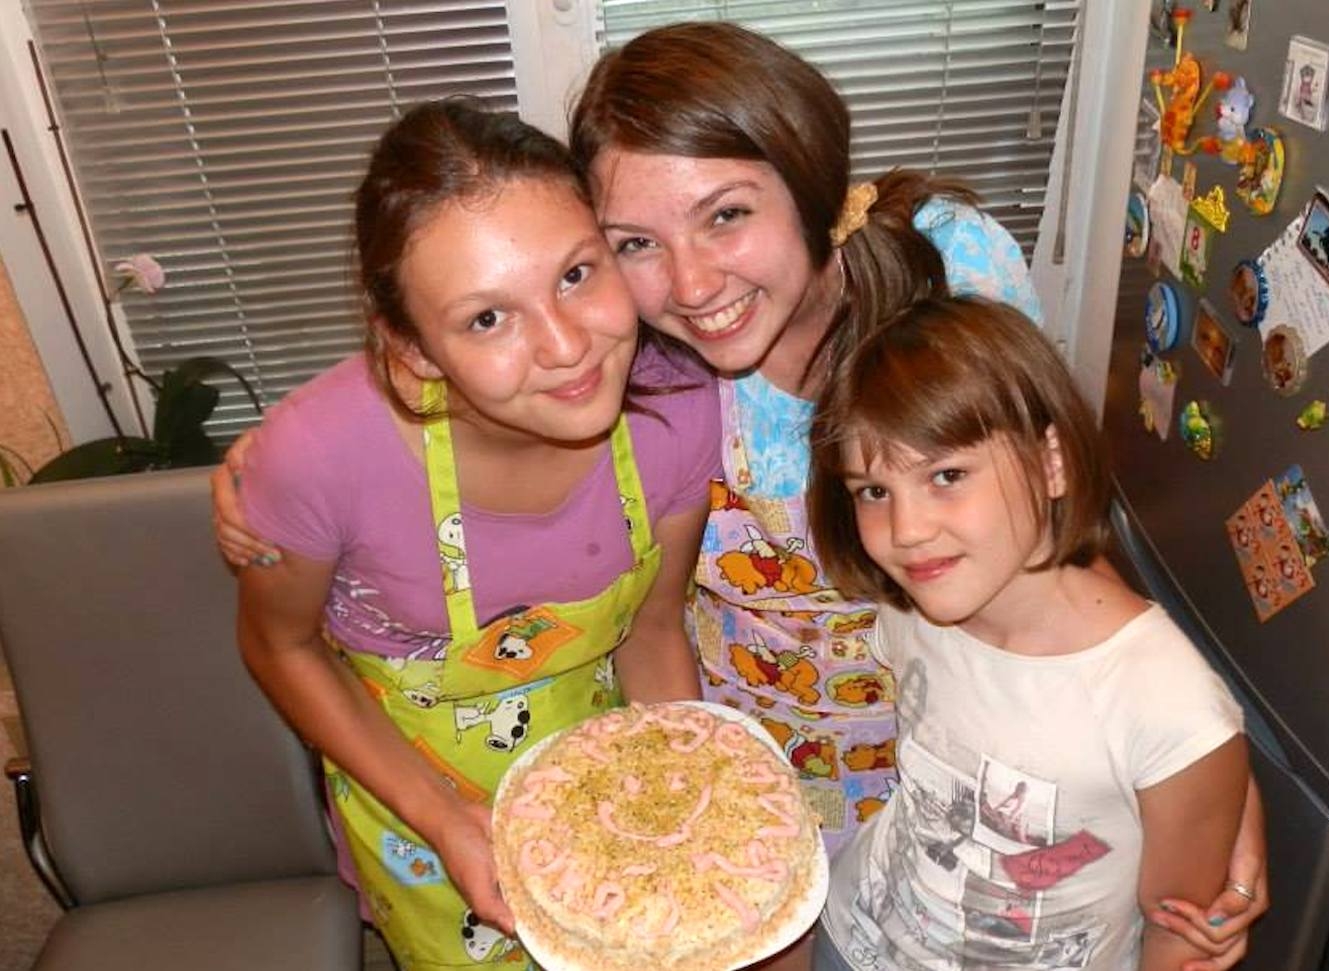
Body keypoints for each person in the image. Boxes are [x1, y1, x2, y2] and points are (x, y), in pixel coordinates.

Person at [214, 22, 1266, 967]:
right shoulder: (645, 376)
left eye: (725, 214)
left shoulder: (956, 262)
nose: (691, 283)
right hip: (754, 771)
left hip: (955, 758)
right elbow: (446, 374)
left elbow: (1042, 515)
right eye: (633, 244)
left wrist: (1213, 786)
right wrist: (277, 469)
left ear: (811, 185)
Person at [231, 97, 718, 970]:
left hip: (598, 777)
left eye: (576, 274)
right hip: (421, 810)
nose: (568, 346)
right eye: (488, 318)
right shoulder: (318, 456)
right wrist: (446, 819)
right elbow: (280, 645)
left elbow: (651, 626)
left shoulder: (677, 407)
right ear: (411, 348)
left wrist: (678, 801)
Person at [805, 296, 1251, 971]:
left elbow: (1182, 931)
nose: (906, 530)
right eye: (873, 490)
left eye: (947, 476)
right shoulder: (909, 605)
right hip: (857, 933)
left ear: (1051, 461)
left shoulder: (1163, 701)